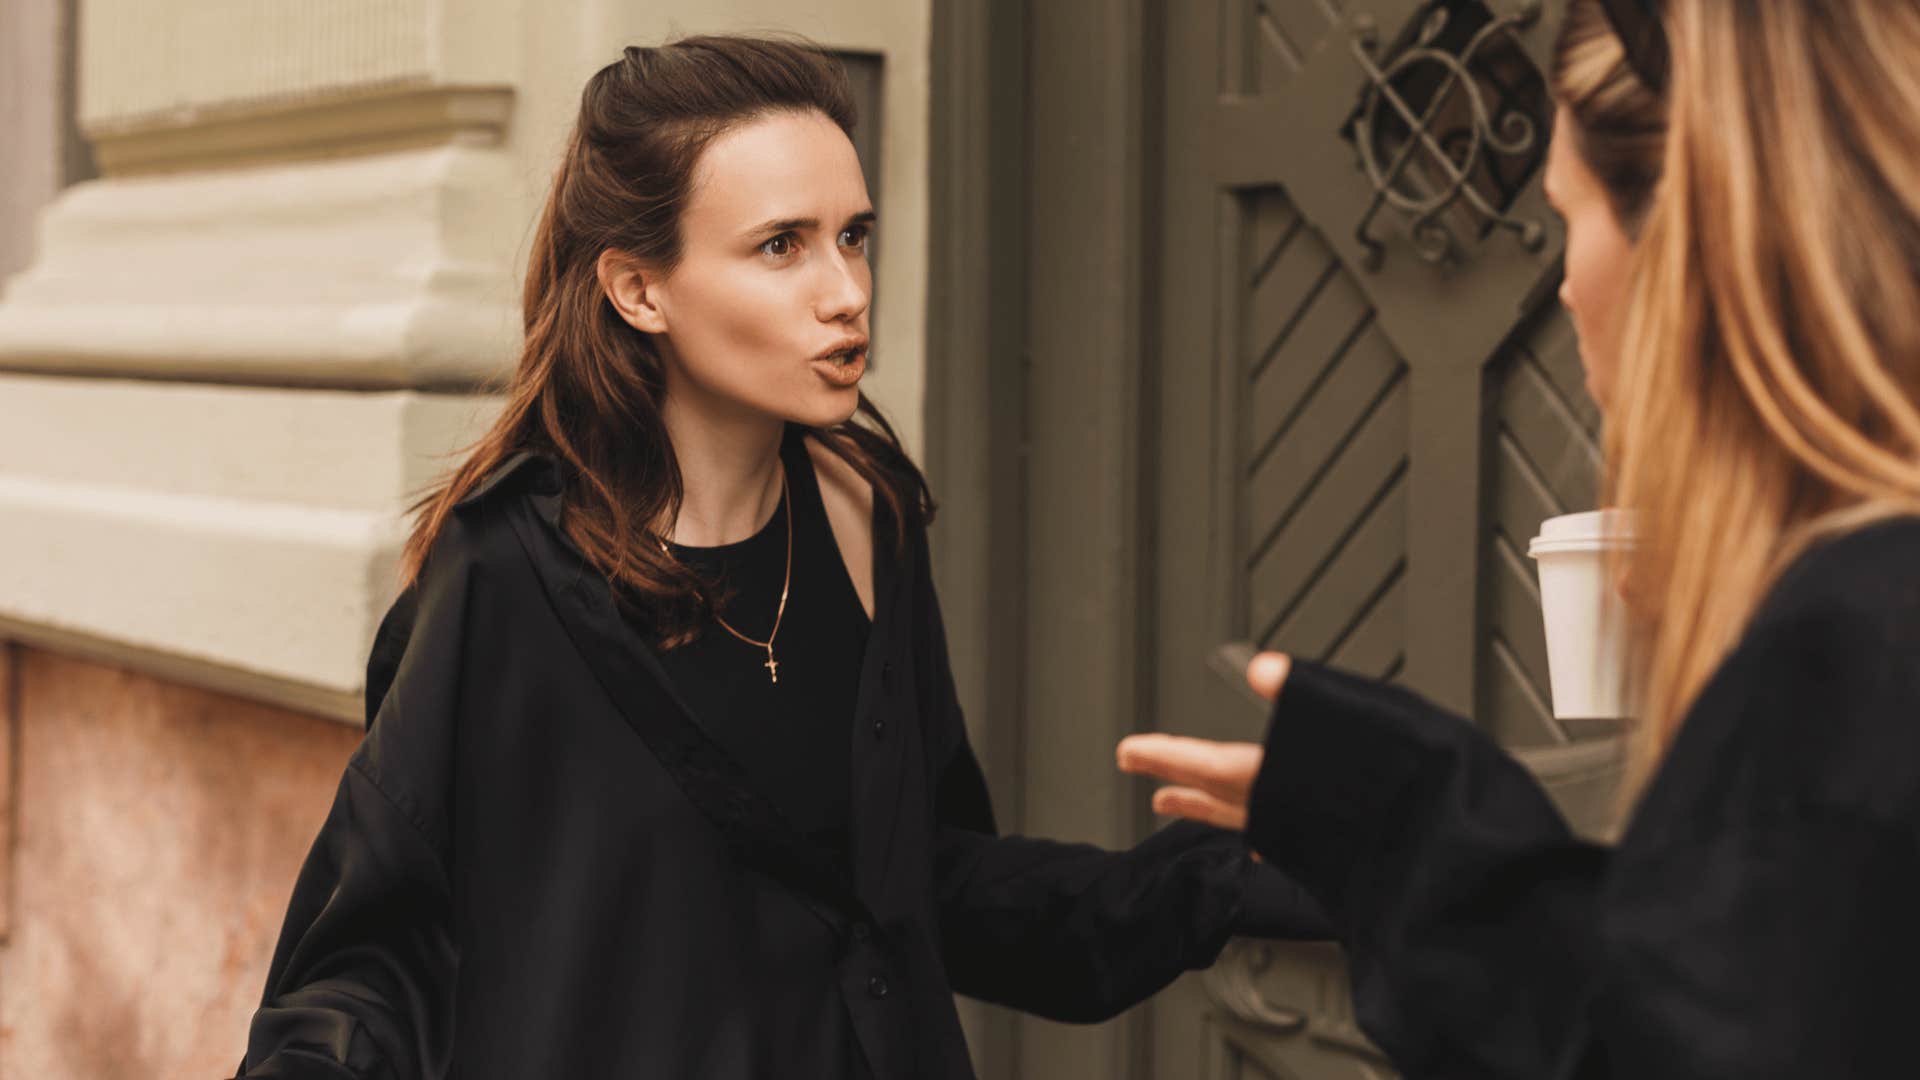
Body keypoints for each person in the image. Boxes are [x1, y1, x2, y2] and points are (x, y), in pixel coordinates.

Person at [235, 35, 1326, 1080]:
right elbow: (371, 963)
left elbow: (928, 887)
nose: (845, 291)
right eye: (780, 245)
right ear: (638, 290)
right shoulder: (504, 578)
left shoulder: (867, 521)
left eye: (853, 235)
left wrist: (1221, 880)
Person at [1119, 0, 1920, 1076]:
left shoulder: (1852, 651)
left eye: (1567, 214)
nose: (1569, 281)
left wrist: (1412, 829)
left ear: (1690, 242)